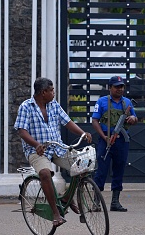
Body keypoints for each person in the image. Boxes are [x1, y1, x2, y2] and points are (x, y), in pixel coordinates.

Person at [14, 77, 92, 228]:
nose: (54, 93)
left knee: (82, 164)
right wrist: (36, 144)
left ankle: (67, 197)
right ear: (43, 92)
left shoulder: (54, 105)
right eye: (52, 90)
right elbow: (22, 131)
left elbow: (67, 122)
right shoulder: (26, 107)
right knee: (44, 173)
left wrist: (83, 133)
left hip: (57, 147)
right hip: (36, 150)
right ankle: (55, 213)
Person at [92, 75, 138, 212]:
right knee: (101, 171)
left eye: (121, 87)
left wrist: (132, 118)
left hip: (122, 141)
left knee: (119, 170)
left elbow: (135, 118)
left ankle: (115, 202)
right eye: (117, 87)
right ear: (110, 88)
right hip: (105, 140)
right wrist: (104, 136)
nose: (120, 89)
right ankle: (96, 202)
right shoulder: (101, 102)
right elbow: (95, 121)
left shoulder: (127, 103)